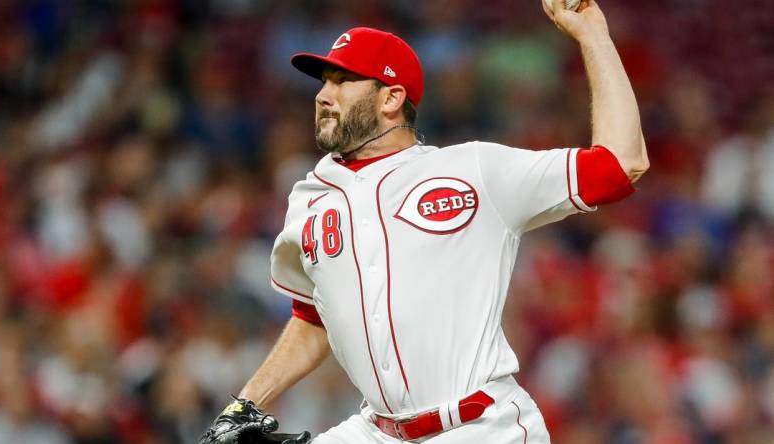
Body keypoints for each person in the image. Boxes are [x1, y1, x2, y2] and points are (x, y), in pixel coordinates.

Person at [199, 1, 649, 443]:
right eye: (323, 82)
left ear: (392, 97)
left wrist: (593, 34)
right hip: (375, 430)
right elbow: (316, 314)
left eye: (343, 80)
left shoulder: (473, 169)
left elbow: (620, 164)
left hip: (480, 426)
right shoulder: (311, 198)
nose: (322, 95)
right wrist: (248, 402)